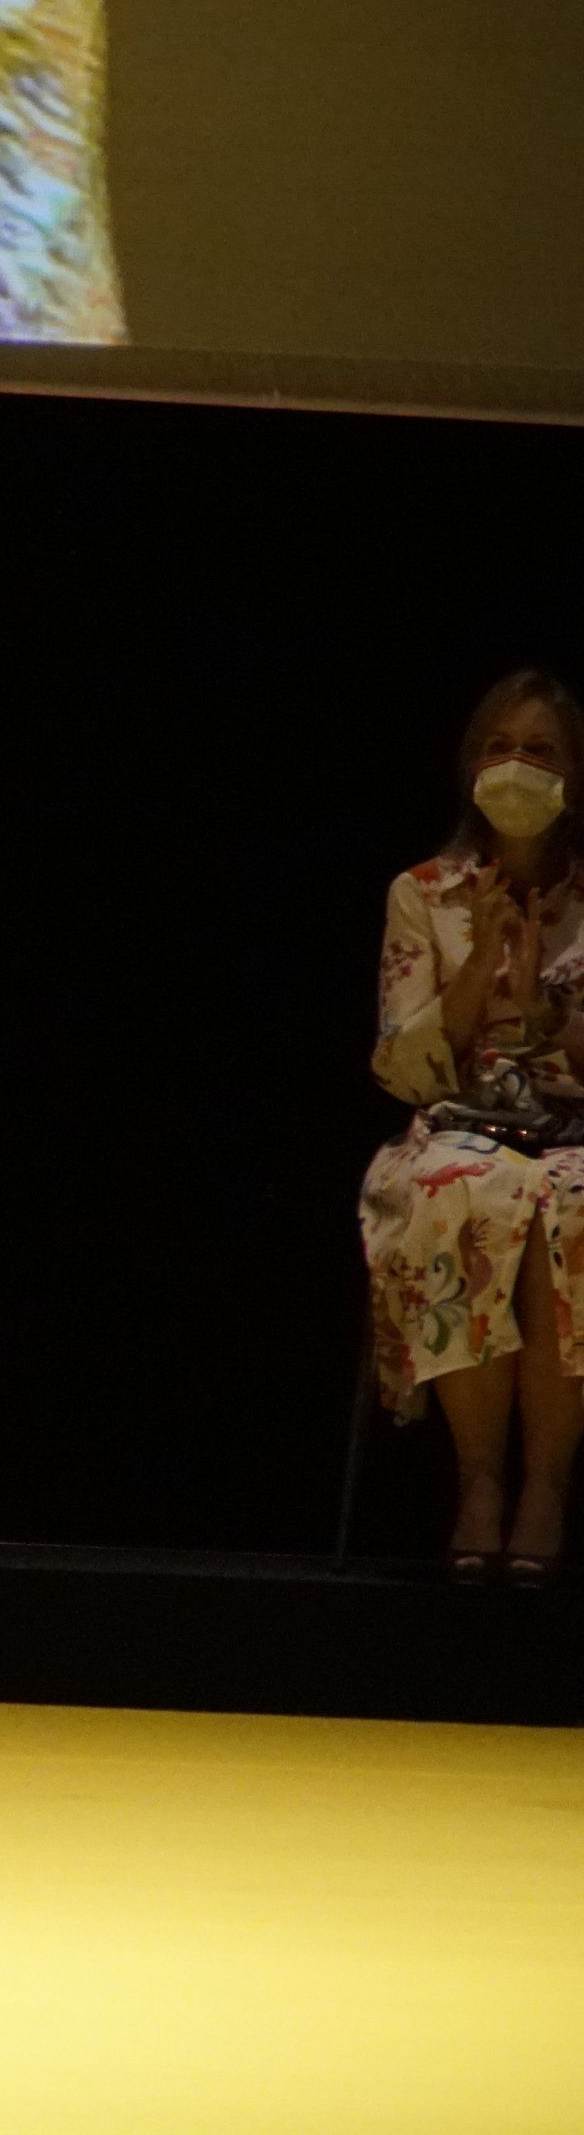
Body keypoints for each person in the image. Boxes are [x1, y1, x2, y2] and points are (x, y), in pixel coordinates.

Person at [360, 669, 584, 1585]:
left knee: (569, 1208)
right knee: (466, 1192)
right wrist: (479, 965)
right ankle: (480, 1482)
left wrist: (545, 1018)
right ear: (469, 768)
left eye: (540, 749)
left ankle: (546, 1489)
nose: (517, 764)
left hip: (575, 1133)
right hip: (457, 1124)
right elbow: (401, 1063)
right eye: (499, 746)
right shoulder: (424, 892)